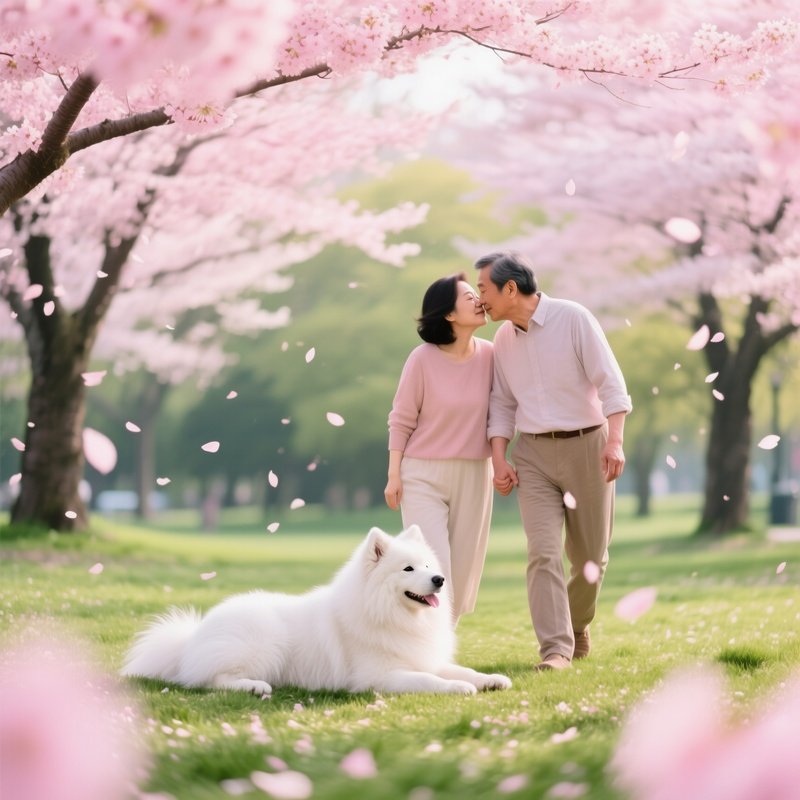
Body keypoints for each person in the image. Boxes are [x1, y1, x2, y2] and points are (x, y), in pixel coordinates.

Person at [474, 251, 632, 671]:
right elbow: (502, 404)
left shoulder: (573, 319)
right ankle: (555, 650)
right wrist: (498, 459)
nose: (479, 299)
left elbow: (612, 384)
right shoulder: (503, 340)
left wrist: (614, 442)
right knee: (542, 552)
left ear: (510, 288)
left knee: (591, 557)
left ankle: (577, 624)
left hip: (588, 446)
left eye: (483, 289)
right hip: (534, 455)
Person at [385, 273, 494, 624]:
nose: (478, 299)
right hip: (421, 473)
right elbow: (401, 419)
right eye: (468, 296)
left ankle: (439, 645)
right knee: (435, 565)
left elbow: (505, 411)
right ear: (449, 314)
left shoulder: (492, 356)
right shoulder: (422, 358)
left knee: (462, 570)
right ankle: (425, 648)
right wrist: (393, 475)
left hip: (475, 472)